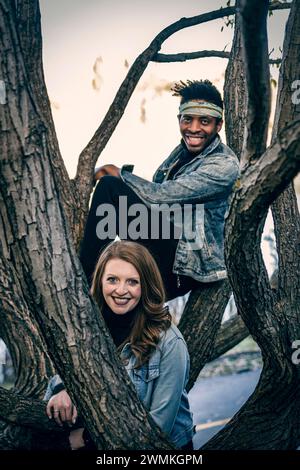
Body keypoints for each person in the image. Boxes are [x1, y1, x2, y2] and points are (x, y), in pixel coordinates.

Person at [79, 79, 240, 300]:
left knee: (110, 188)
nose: (194, 128)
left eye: (204, 121)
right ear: (179, 120)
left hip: (185, 265)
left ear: (218, 125)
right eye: (188, 119)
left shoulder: (224, 164)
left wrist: (119, 175)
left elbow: (160, 197)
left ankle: (85, 282)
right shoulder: (180, 154)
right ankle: (99, 283)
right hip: (166, 249)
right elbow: (157, 202)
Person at [45, 240, 194, 450]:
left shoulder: (170, 343)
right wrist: (63, 387)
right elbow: (67, 371)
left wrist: (86, 440)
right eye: (112, 279)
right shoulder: (88, 328)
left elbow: (158, 431)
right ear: (100, 282)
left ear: (146, 285)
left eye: (132, 282)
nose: (121, 290)